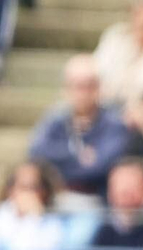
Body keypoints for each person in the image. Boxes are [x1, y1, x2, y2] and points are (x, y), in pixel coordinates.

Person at [28, 54, 133, 203]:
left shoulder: (114, 123)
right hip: (55, 199)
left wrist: (60, 166)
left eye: (89, 86)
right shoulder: (55, 119)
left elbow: (100, 167)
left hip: (99, 202)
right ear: (66, 88)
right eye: (77, 86)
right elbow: (36, 152)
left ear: (99, 87)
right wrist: (77, 154)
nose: (83, 93)